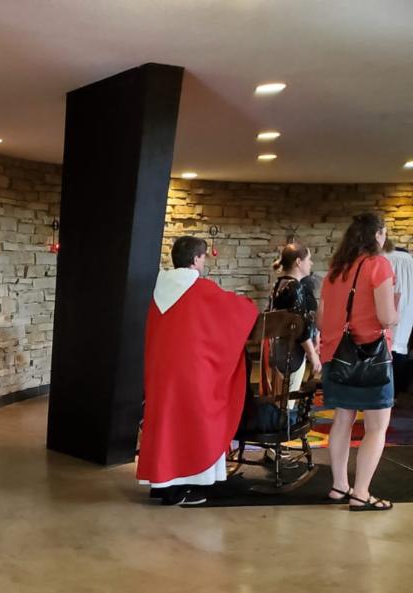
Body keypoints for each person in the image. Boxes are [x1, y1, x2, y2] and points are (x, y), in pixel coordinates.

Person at [137, 236, 257, 505]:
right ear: (195, 259)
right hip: (191, 372)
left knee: (166, 424)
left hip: (160, 369)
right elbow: (237, 312)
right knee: (193, 423)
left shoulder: (159, 288)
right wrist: (250, 304)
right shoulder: (200, 288)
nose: (204, 262)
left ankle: (163, 484)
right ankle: (182, 486)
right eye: (203, 257)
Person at [319, 213, 399, 510]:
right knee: (377, 425)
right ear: (377, 235)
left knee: (342, 419)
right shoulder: (378, 265)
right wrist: (397, 314)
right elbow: (386, 317)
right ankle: (361, 493)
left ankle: (339, 486)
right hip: (370, 358)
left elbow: (321, 320)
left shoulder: (335, 270)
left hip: (336, 355)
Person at [269, 242, 323, 393]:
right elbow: (299, 327)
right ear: (298, 262)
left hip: (279, 349)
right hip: (291, 353)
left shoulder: (280, 283)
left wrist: (316, 336)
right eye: (309, 259)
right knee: (288, 399)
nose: (311, 263)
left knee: (281, 397)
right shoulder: (295, 287)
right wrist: (313, 355)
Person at [383, 238, 413, 394]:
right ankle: (396, 393)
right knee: (400, 347)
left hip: (386, 308)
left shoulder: (383, 259)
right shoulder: (410, 261)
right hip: (408, 310)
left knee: (384, 348)